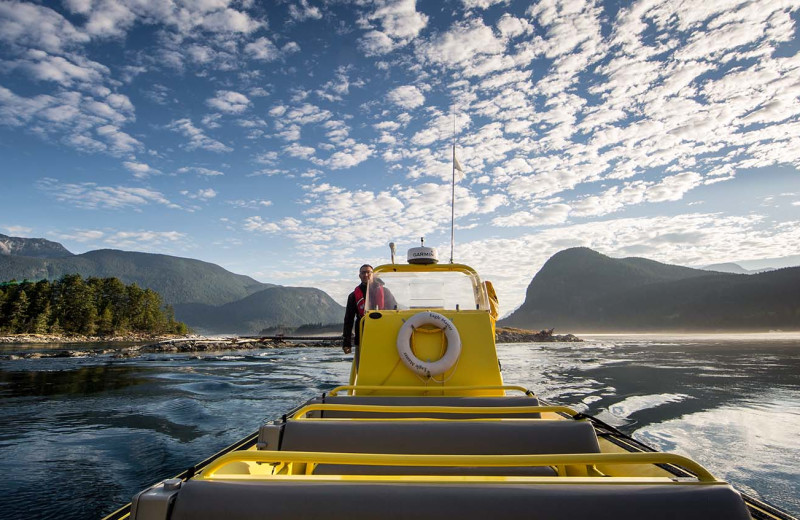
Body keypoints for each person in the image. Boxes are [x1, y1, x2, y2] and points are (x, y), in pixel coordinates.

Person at [342, 264, 396, 358]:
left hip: (383, 335)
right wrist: (347, 343)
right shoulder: (353, 296)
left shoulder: (385, 292)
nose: (366, 275)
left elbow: (395, 311)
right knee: (362, 367)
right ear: (359, 275)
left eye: (368, 272)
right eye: (363, 273)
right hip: (362, 336)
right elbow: (348, 320)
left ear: (373, 274)